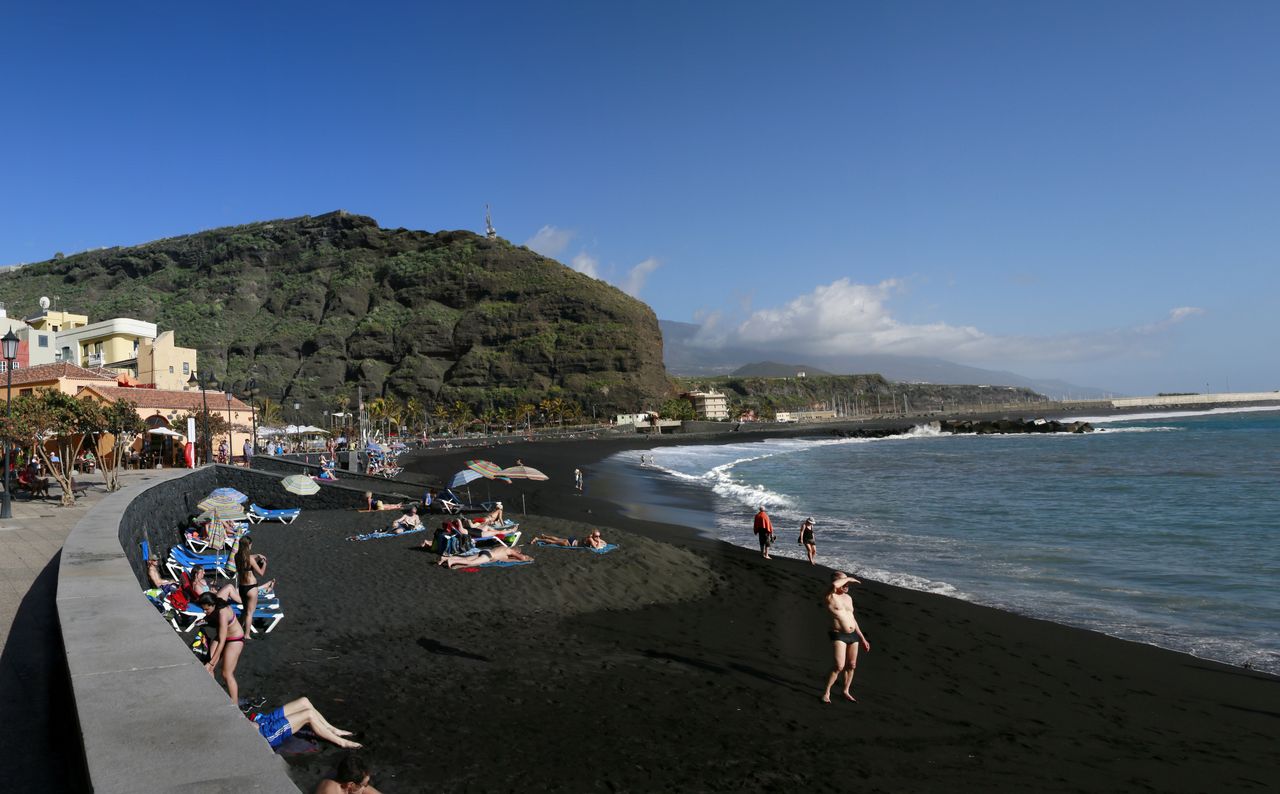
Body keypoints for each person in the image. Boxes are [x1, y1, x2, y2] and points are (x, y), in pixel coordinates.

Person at [821, 571, 871, 703]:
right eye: (844, 581)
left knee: (852, 665)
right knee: (839, 666)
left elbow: (852, 619)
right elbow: (833, 584)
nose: (847, 584)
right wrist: (848, 578)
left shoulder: (848, 598)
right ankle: (826, 692)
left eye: (848, 582)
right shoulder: (829, 596)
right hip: (838, 634)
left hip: (853, 635)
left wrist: (862, 638)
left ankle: (845, 690)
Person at [250, 696, 361, 751]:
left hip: (263, 721)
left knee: (304, 701)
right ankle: (341, 742)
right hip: (267, 733)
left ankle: (332, 729)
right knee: (308, 715)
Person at [197, 592, 245, 705]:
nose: (205, 612)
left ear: (212, 605)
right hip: (221, 637)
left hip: (235, 639)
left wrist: (212, 662)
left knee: (226, 673)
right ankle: (214, 696)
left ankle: (235, 704)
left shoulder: (223, 613)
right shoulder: (214, 602)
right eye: (203, 609)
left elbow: (222, 642)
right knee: (208, 669)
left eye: (206, 609)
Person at [234, 536, 268, 638]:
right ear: (249, 545)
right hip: (251, 587)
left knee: (245, 610)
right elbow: (261, 573)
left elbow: (246, 558)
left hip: (242, 587)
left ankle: (238, 629)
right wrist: (264, 563)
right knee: (250, 613)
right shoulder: (250, 559)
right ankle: (247, 634)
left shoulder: (236, 556)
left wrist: (257, 555)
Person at [316, 753, 384, 793]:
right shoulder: (330, 790)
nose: (364, 788)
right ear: (350, 784)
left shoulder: (345, 779)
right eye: (364, 785)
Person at [437, 545, 534, 568]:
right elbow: (521, 557)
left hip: (486, 551)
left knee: (465, 559)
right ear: (516, 550)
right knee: (470, 563)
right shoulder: (510, 551)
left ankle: (445, 558)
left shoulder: (504, 548)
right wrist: (528, 558)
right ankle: (451, 562)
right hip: (488, 555)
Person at [534, 530, 605, 549]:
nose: (598, 537)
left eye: (599, 536)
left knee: (558, 539)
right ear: (593, 535)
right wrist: (598, 542)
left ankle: (545, 536)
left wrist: (599, 540)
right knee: (553, 542)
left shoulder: (591, 537)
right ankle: (538, 539)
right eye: (596, 536)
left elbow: (605, 542)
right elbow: (596, 548)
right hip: (570, 543)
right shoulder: (591, 539)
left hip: (573, 540)